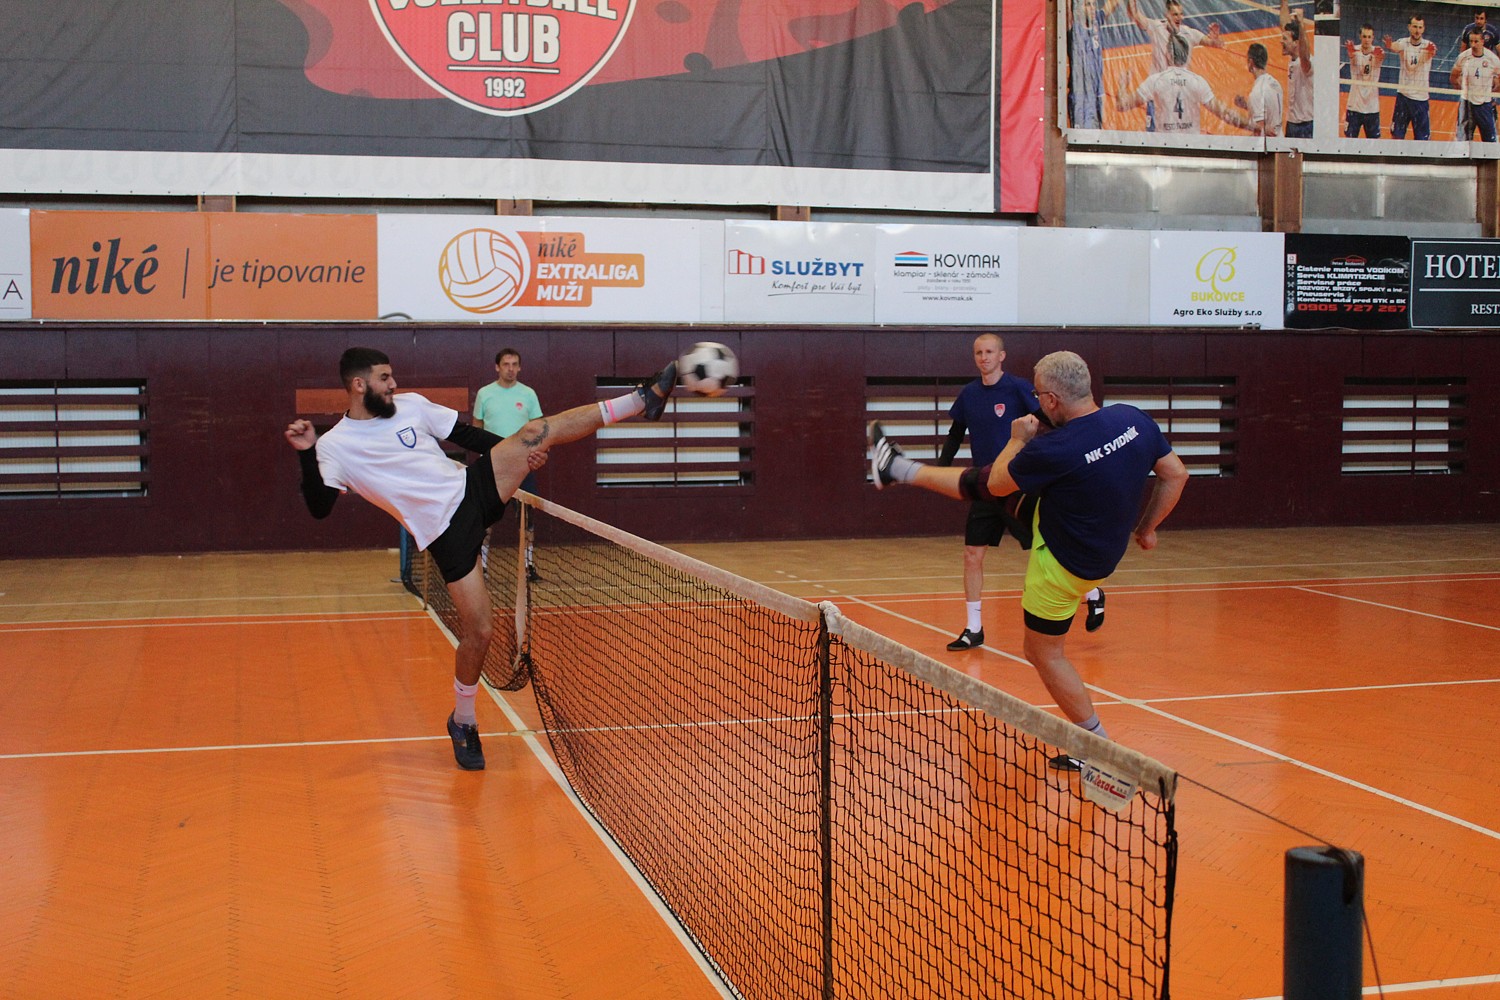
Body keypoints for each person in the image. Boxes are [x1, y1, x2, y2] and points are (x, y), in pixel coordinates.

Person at [285, 347, 679, 771]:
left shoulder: (411, 405)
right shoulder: (335, 446)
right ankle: (464, 721)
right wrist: (307, 451)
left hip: (470, 489)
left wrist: (520, 452)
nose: (393, 384)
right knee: (480, 631)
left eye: (391, 375)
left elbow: (469, 437)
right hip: (444, 534)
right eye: (384, 378)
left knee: (536, 430)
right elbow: (320, 507)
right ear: (359, 385)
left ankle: (641, 399)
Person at [868, 351, 1189, 770]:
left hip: (1062, 565)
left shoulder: (1056, 448)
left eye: (1039, 396)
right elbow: (1176, 473)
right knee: (985, 487)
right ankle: (897, 467)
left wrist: (1017, 438)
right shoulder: (1133, 419)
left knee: (1043, 653)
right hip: (1100, 541)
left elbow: (1001, 483)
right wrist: (1146, 530)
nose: (1036, 403)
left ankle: (1096, 746)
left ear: (1052, 400)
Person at [927, 334, 1103, 651]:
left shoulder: (1019, 388)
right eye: (978, 352)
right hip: (985, 485)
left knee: (1050, 547)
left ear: (1002, 355)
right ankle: (974, 628)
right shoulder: (969, 394)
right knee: (972, 555)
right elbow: (954, 435)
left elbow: (1050, 420)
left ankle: (1092, 592)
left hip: (1017, 484)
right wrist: (940, 470)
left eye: (989, 352)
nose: (984, 357)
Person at [473, 347, 544, 581]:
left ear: (519, 368)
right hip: (492, 466)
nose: (510, 369)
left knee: (526, 519)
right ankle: (482, 565)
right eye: (506, 364)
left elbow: (539, 428)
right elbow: (476, 428)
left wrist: (536, 454)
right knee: (486, 519)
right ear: (497, 367)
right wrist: (484, 457)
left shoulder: (528, 394)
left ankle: (528, 565)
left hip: (523, 466)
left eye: (514, 365)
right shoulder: (484, 394)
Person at [1117, 33, 1252, 134]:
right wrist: (1254, 126)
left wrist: (1123, 84)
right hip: (1190, 147)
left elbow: (1122, 105)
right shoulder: (1197, 82)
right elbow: (1225, 114)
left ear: (1168, 54)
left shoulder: (1156, 81)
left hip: (1165, 147)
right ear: (1187, 55)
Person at [1125, 0, 1226, 130]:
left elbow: (1214, 43)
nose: (1179, 18)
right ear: (1167, 15)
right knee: (1154, 134)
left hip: (1180, 93)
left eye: (1181, 14)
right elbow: (1134, 14)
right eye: (1175, 14)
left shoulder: (1189, 33)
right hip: (1159, 95)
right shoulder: (1156, 28)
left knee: (1181, 131)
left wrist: (1215, 39)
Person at [1385, 16, 1437, 140]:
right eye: (1414, 27)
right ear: (1409, 27)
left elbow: (1432, 52)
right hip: (1404, 97)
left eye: (1420, 27)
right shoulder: (1403, 43)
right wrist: (1390, 45)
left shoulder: (1428, 45)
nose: (1417, 30)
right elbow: (1395, 46)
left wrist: (1430, 52)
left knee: (1422, 139)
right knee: (1396, 136)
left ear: (1423, 29)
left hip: (1420, 99)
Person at [1455, 11, 1499, 139]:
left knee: (1488, 103)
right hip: (1472, 67)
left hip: (1487, 69)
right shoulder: (1468, 30)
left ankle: (1492, 120)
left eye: (1481, 18)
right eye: (1477, 18)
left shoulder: (1493, 32)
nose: (1478, 21)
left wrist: (1495, 72)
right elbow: (1463, 49)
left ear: (1486, 20)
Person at [1068, 0, 1107, 129]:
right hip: (1081, 93)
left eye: (1094, 4)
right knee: (1082, 133)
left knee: (1099, 130)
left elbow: (1111, 5)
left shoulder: (1096, 23)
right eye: (1088, 4)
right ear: (1078, 8)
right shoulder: (1074, 28)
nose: (1092, 8)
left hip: (1097, 90)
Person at [1236, 42, 1286, 136]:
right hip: (1280, 137)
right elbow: (1269, 109)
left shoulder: (1256, 93)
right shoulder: (1275, 83)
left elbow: (1260, 131)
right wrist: (1247, 106)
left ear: (1250, 62)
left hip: (1268, 144)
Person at [1344, 25, 1385, 138]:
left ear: (1373, 38)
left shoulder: (1378, 51)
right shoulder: (1354, 50)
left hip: (1372, 107)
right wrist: (1350, 50)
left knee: (1373, 142)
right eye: (1364, 36)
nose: (1367, 40)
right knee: (1350, 140)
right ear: (1360, 37)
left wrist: (1375, 54)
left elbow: (1381, 56)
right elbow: (1351, 54)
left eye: (1369, 37)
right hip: (1354, 105)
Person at [1281, 3, 1315, 138]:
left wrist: (1301, 23)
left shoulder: (1304, 63)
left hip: (1306, 125)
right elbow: (1284, 24)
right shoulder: (1293, 59)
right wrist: (1283, 2)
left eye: (1284, 39)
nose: (1281, 41)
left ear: (1296, 43)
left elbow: (1305, 56)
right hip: (1292, 123)